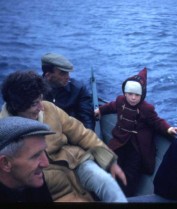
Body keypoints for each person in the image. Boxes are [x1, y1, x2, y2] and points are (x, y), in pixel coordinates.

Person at [0, 70, 127, 202]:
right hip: (48, 181)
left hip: (76, 161)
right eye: (34, 104)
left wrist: (110, 162)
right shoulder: (4, 132)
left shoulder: (50, 108)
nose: (41, 107)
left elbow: (82, 134)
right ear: (17, 106)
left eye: (41, 100)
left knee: (108, 183)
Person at [94, 67, 177, 197]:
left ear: (142, 94)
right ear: (125, 93)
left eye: (137, 95)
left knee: (131, 171)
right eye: (130, 94)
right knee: (109, 160)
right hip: (120, 140)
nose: (133, 98)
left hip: (137, 146)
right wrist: (100, 110)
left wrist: (168, 129)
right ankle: (107, 188)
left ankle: (127, 195)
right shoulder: (120, 101)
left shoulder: (147, 108)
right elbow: (110, 106)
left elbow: (157, 121)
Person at [0, 116, 55, 202]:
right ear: (5, 163)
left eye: (43, 151)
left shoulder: (33, 178)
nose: (46, 163)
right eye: (35, 156)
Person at [41, 52, 95, 130]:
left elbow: (87, 120)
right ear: (48, 75)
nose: (68, 77)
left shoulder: (79, 90)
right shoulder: (35, 90)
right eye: (62, 74)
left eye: (68, 73)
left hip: (71, 134)